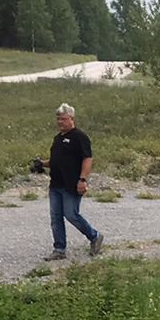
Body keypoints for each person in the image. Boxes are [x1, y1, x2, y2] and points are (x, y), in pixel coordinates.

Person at [37, 102, 104, 261]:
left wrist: (83, 179)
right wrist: (42, 163)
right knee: (55, 217)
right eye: (58, 119)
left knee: (71, 214)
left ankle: (94, 236)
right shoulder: (58, 139)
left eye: (64, 119)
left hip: (72, 184)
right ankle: (59, 249)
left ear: (72, 118)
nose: (60, 122)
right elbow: (56, 160)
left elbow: (87, 159)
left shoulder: (79, 137)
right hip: (56, 184)